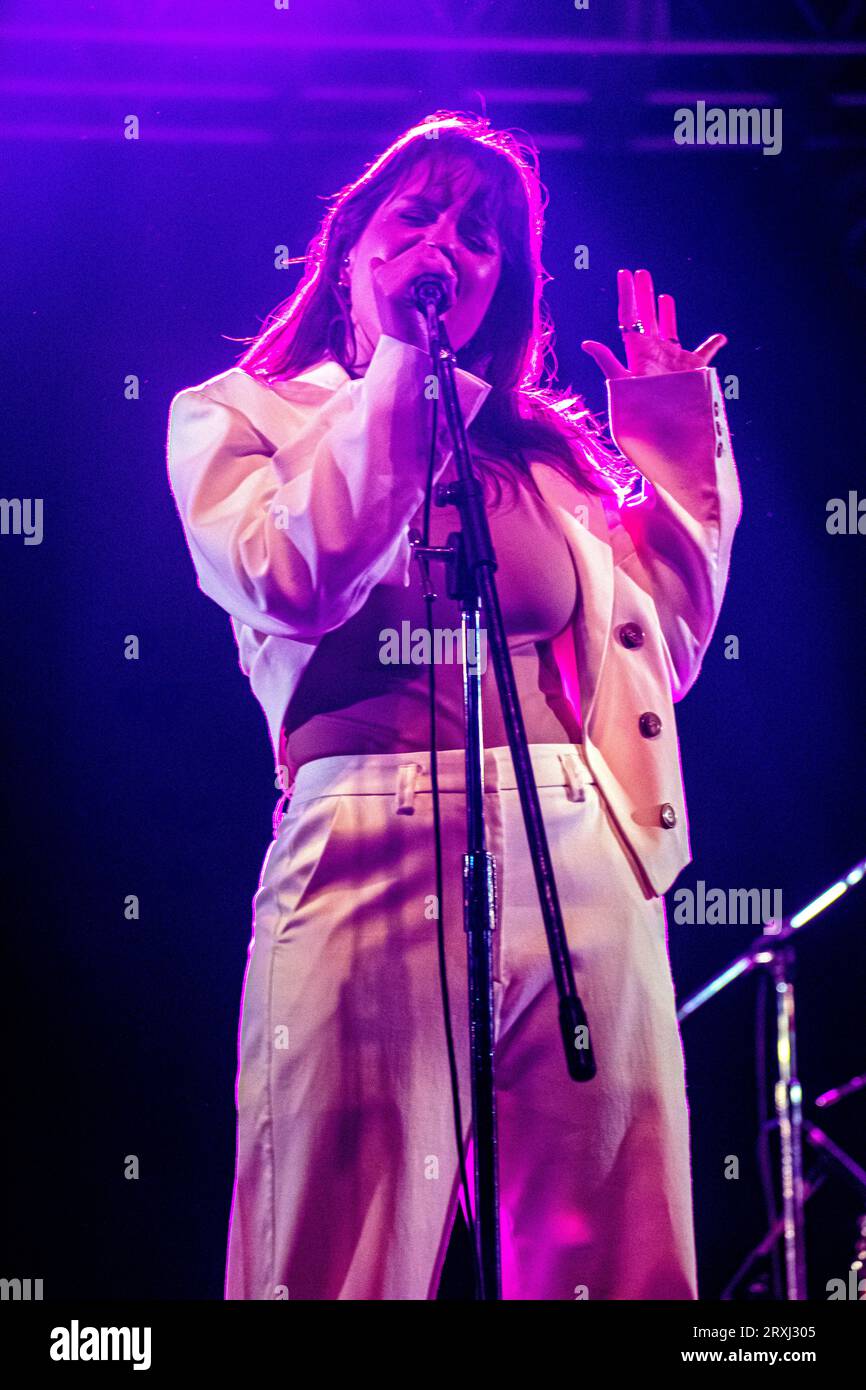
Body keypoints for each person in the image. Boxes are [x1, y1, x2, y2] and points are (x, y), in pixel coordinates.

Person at [166, 110, 741, 1301]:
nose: (448, 246)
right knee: (331, 1252)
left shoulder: (542, 456)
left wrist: (671, 428)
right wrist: (395, 372)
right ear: (348, 253)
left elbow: (664, 649)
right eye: (416, 216)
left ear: (504, 285)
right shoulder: (242, 416)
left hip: (577, 847)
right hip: (368, 841)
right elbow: (297, 571)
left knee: (618, 1261)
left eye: (480, 235)